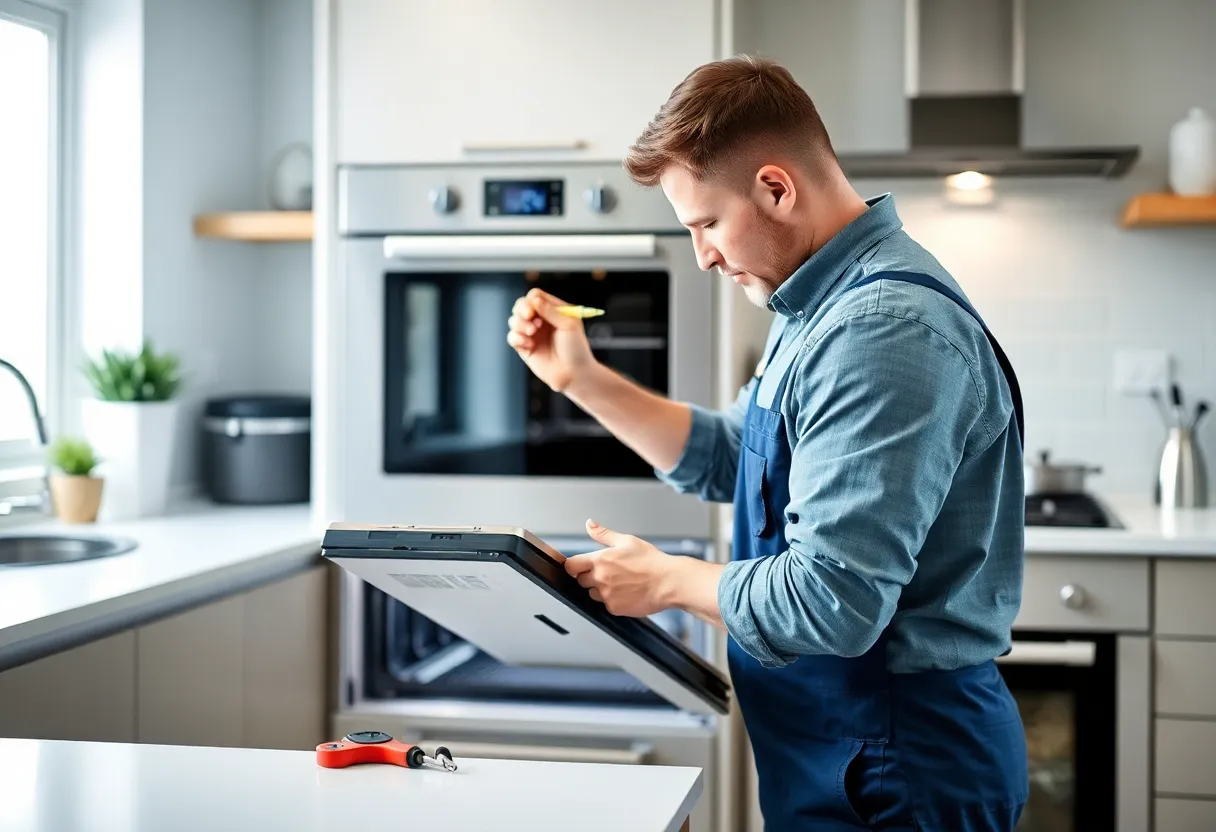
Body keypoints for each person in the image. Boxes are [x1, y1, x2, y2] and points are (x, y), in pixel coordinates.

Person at [505, 55, 1028, 831]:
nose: (703, 255)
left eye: (706, 224)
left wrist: (668, 581)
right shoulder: (817, 307)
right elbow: (731, 456)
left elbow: (834, 600)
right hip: (844, 751)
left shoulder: (880, 331)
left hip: (897, 764)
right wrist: (579, 378)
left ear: (776, 188)